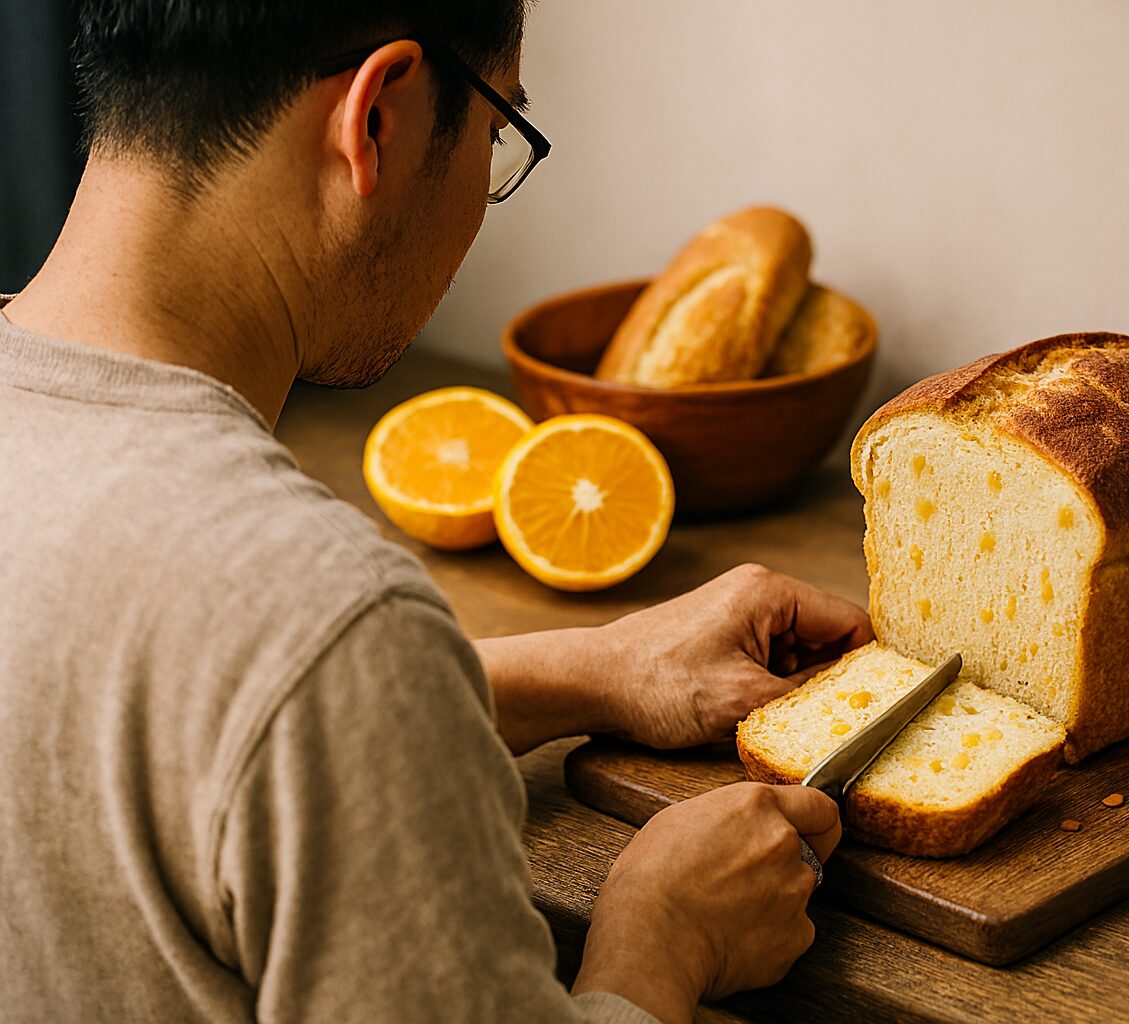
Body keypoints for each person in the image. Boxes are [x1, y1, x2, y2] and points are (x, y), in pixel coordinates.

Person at [0, 3, 872, 1022]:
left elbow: (202, 715)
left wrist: (603, 665)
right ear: (379, 116)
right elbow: (310, 677)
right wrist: (666, 936)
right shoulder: (324, 623)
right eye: (502, 131)